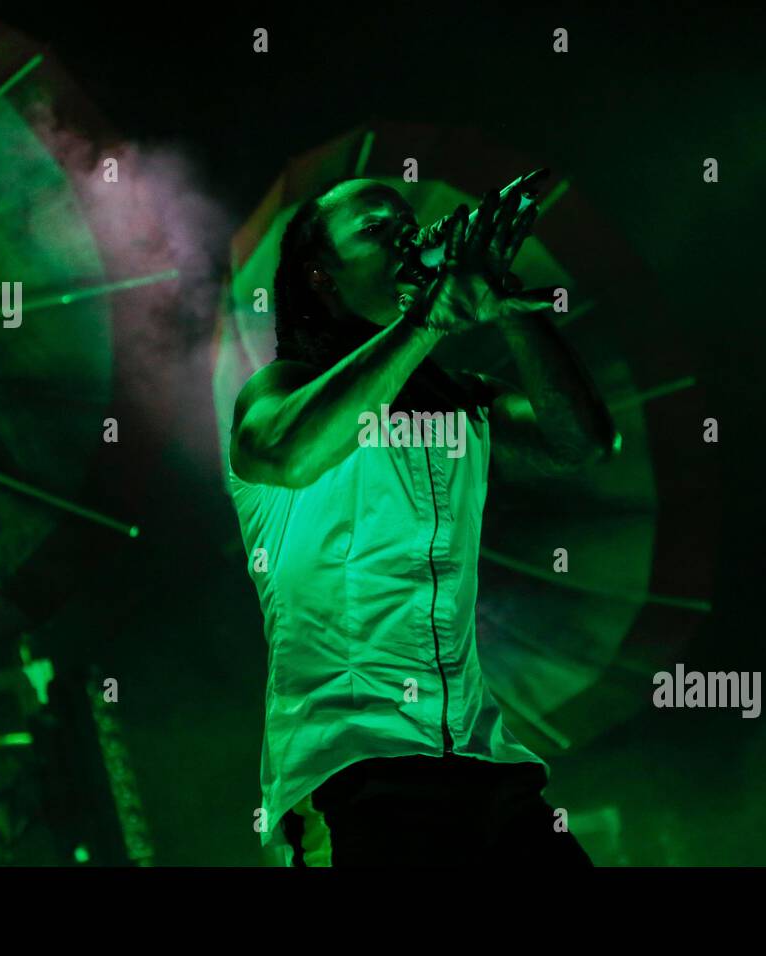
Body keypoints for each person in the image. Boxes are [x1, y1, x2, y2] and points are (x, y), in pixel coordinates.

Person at [228, 176, 618, 865]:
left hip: (483, 757)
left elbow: (582, 441)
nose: (406, 236)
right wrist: (422, 323)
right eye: (375, 231)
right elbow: (286, 453)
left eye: (406, 221)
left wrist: (503, 299)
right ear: (325, 278)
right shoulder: (279, 390)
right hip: (354, 766)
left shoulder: (466, 400)